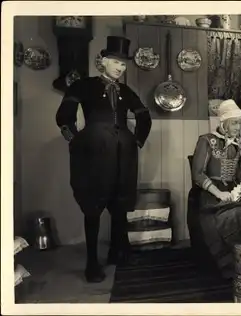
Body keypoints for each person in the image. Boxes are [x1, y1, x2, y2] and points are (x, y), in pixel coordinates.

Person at [55, 36, 152, 283]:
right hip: (95, 153)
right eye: (116, 62)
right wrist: (76, 141)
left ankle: (119, 252)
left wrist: (136, 141)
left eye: (124, 63)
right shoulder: (82, 86)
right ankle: (91, 263)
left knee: (120, 202)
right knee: (93, 205)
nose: (121, 67)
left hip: (124, 154)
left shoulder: (127, 91)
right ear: (103, 61)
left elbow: (144, 118)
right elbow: (64, 117)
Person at [187, 99, 241, 279]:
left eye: (240, 124)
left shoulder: (239, 144)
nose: (237, 128)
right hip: (210, 193)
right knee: (229, 215)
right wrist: (218, 193)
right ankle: (226, 266)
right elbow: (198, 174)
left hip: (232, 190)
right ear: (223, 122)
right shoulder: (207, 141)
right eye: (234, 123)